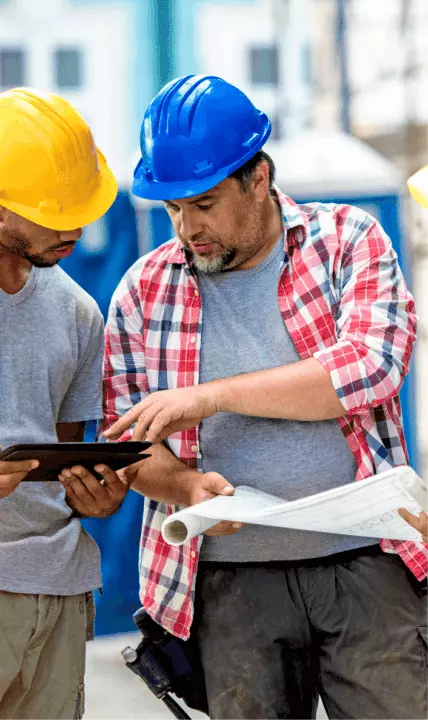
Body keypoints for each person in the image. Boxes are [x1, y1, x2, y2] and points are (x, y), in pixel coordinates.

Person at [101, 75, 424, 719]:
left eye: (205, 203)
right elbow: (129, 441)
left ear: (258, 177)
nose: (189, 227)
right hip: (228, 586)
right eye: (174, 209)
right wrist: (186, 489)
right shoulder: (142, 291)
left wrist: (209, 397)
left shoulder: (347, 242)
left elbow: (370, 366)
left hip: (367, 567)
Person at [0, 87, 130, 720]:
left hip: (58, 585)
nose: (74, 230)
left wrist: (94, 494)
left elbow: (65, 454)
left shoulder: (78, 311)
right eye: (55, 213)